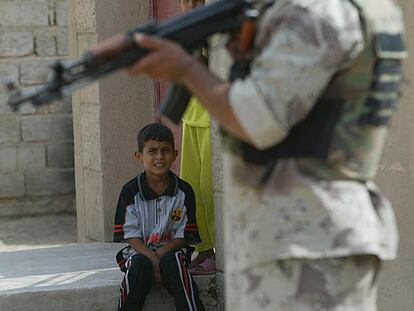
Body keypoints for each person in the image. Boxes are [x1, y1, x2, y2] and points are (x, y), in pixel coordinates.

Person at [126, 0, 406, 310]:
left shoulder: (319, 14)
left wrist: (187, 69)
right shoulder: (358, 9)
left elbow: (253, 120)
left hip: (304, 243)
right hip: (308, 234)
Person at [113, 123, 205, 311]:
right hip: (140, 252)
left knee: (175, 264)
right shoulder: (131, 191)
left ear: (175, 155)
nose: (159, 157)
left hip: (172, 253)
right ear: (139, 156)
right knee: (139, 266)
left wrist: (160, 255)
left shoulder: (184, 191)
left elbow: (183, 235)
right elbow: (131, 235)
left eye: (165, 151)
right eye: (152, 151)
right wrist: (151, 257)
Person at [178, 0, 217, 275]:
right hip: (191, 115)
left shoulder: (213, 22)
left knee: (208, 189)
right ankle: (202, 250)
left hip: (210, 120)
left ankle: (216, 251)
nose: (190, 3)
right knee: (190, 189)